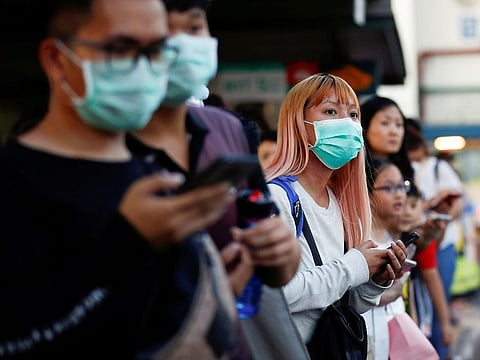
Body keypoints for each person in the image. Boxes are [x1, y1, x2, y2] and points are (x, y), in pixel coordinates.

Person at [0, 1, 244, 358]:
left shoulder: (154, 173)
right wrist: (126, 242)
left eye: (157, 50)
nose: (144, 68)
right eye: (120, 48)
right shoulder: (14, 184)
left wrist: (209, 296)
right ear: (56, 59)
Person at [127, 0, 302, 358]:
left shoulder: (229, 129)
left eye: (193, 29)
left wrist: (282, 253)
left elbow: (270, 254)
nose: (180, 46)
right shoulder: (102, 145)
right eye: (162, 33)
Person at [264, 73, 408, 350]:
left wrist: (373, 279)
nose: (347, 123)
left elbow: (338, 299)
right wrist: (354, 265)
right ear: (299, 124)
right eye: (331, 111)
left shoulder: (339, 201)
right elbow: (280, 294)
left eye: (354, 115)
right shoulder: (277, 197)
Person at [405, 121, 464, 359]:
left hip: (438, 245)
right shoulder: (397, 169)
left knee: (435, 299)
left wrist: (441, 219)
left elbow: (458, 202)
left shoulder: (437, 167)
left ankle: (439, 349)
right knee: (422, 304)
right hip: (418, 241)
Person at [387, 180, 453, 356]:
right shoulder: (400, 236)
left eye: (414, 206)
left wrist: (445, 323)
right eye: (403, 205)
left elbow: (432, 275)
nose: (407, 212)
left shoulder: (417, 236)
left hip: (412, 312)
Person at [360, 95, 415, 183]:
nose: (394, 132)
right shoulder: (353, 174)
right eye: (385, 123)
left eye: (399, 124)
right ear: (364, 128)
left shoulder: (408, 173)